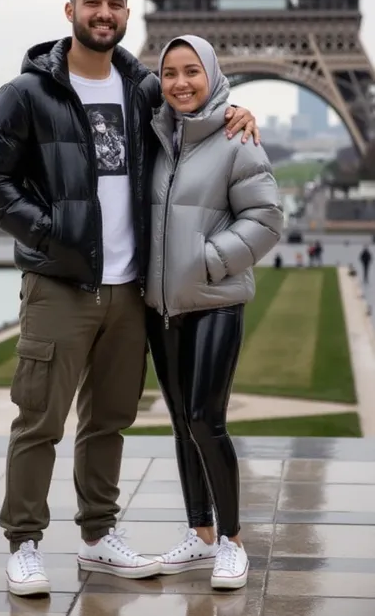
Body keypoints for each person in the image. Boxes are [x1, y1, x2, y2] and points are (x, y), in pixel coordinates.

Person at [0, 0, 260, 597]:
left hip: (131, 292)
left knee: (109, 421)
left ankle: (99, 538)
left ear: (128, 14)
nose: (104, 13)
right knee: (39, 419)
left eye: (115, 3)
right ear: (70, 10)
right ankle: (25, 543)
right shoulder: (25, 93)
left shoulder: (145, 88)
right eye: (93, 1)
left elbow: (201, 105)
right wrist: (50, 233)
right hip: (62, 285)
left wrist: (240, 113)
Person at [145, 35, 283, 590]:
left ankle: (231, 540)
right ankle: (199, 535)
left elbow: (267, 218)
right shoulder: (153, 134)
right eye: (171, 72)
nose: (181, 82)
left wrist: (207, 261)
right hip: (162, 306)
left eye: (192, 72)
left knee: (204, 417)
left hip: (215, 299)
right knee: (181, 422)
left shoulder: (237, 135)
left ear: (213, 74)